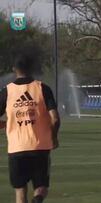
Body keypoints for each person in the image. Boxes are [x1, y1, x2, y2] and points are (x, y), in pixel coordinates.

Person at [0, 53, 60, 203]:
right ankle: (37, 199)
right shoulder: (42, 88)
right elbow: (55, 118)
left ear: (14, 69)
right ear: (31, 68)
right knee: (41, 187)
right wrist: (53, 137)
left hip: (16, 148)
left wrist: (6, 125)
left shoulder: (6, 92)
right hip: (40, 146)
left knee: (20, 190)